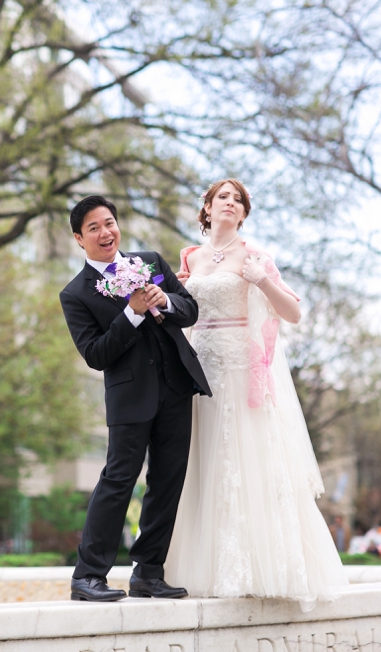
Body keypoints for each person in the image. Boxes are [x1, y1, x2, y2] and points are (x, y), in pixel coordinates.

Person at [165, 179, 348, 612]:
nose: (229, 203)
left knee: (247, 463)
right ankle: (196, 570)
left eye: (237, 199)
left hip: (241, 372)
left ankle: (261, 567)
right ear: (206, 209)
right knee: (202, 463)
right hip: (199, 370)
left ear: (243, 213)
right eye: (221, 197)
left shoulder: (256, 256)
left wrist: (263, 281)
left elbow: (294, 313)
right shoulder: (188, 258)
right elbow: (181, 311)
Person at [59, 196, 210, 602]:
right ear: (79, 238)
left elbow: (190, 309)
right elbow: (95, 354)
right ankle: (88, 575)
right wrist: (132, 312)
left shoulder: (151, 262)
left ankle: (148, 573)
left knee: (167, 481)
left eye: (109, 223)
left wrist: (166, 301)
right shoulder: (75, 294)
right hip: (130, 399)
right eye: (94, 228)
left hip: (177, 386)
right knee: (118, 480)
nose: (105, 232)